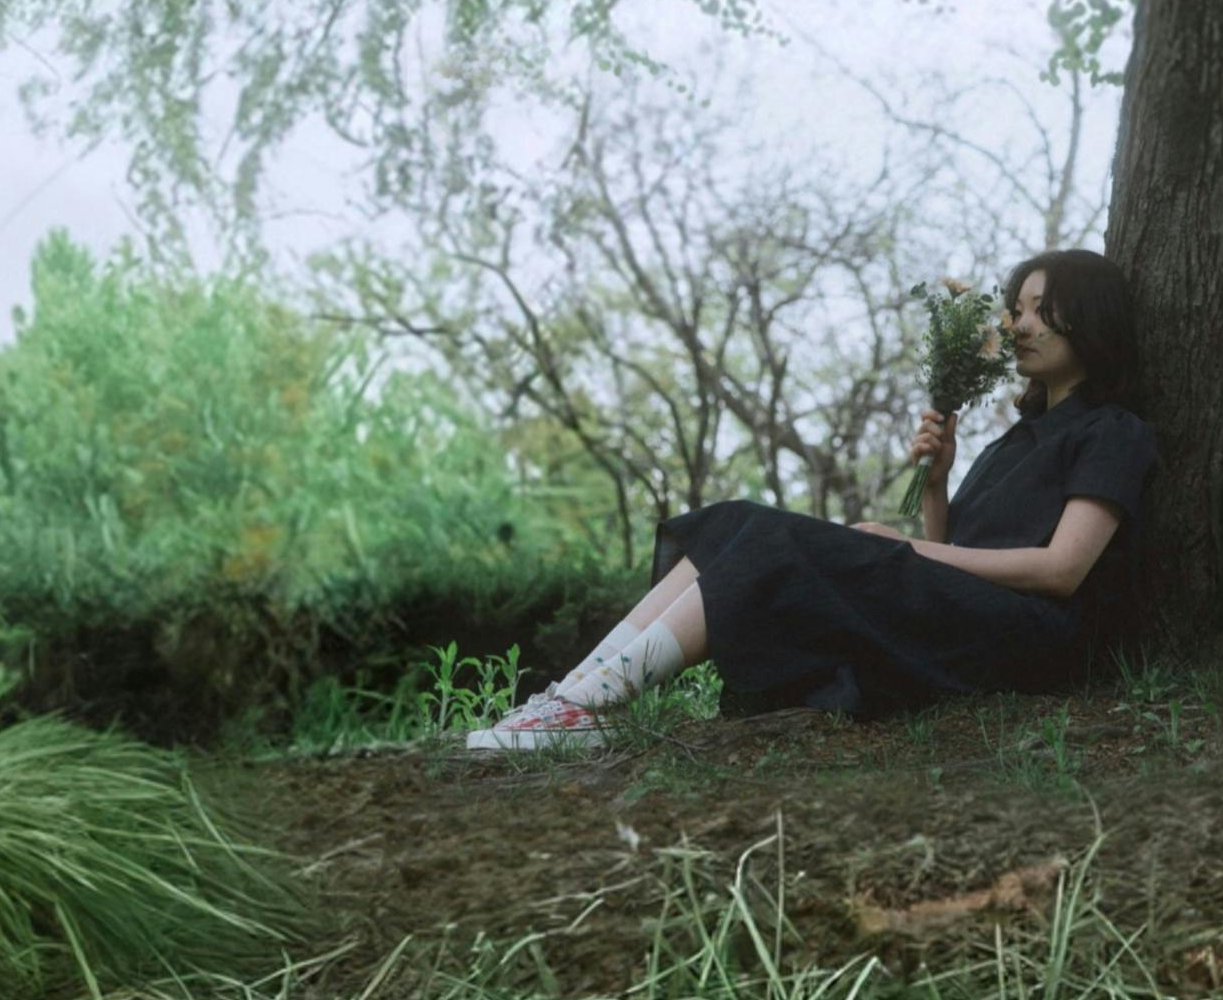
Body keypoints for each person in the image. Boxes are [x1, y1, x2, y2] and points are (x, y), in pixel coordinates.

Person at [464, 247, 1159, 750]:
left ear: (1090, 319)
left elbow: (1063, 571)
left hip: (1032, 640)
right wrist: (941, 484)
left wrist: (906, 547)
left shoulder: (1114, 432)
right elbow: (960, 550)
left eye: (1042, 309)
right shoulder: (1018, 440)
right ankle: (574, 698)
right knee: (734, 522)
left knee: (775, 540)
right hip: (969, 613)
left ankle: (591, 707)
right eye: (1017, 309)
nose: (1019, 325)